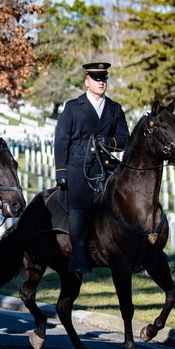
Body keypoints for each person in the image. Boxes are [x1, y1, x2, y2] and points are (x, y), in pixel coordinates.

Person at [54, 61, 130, 274]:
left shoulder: (115, 109)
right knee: (80, 204)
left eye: (104, 79)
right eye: (96, 79)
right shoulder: (72, 106)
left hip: (105, 166)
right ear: (87, 82)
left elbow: (125, 138)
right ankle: (79, 251)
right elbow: (61, 140)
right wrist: (61, 171)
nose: (101, 82)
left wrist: (109, 141)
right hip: (78, 166)